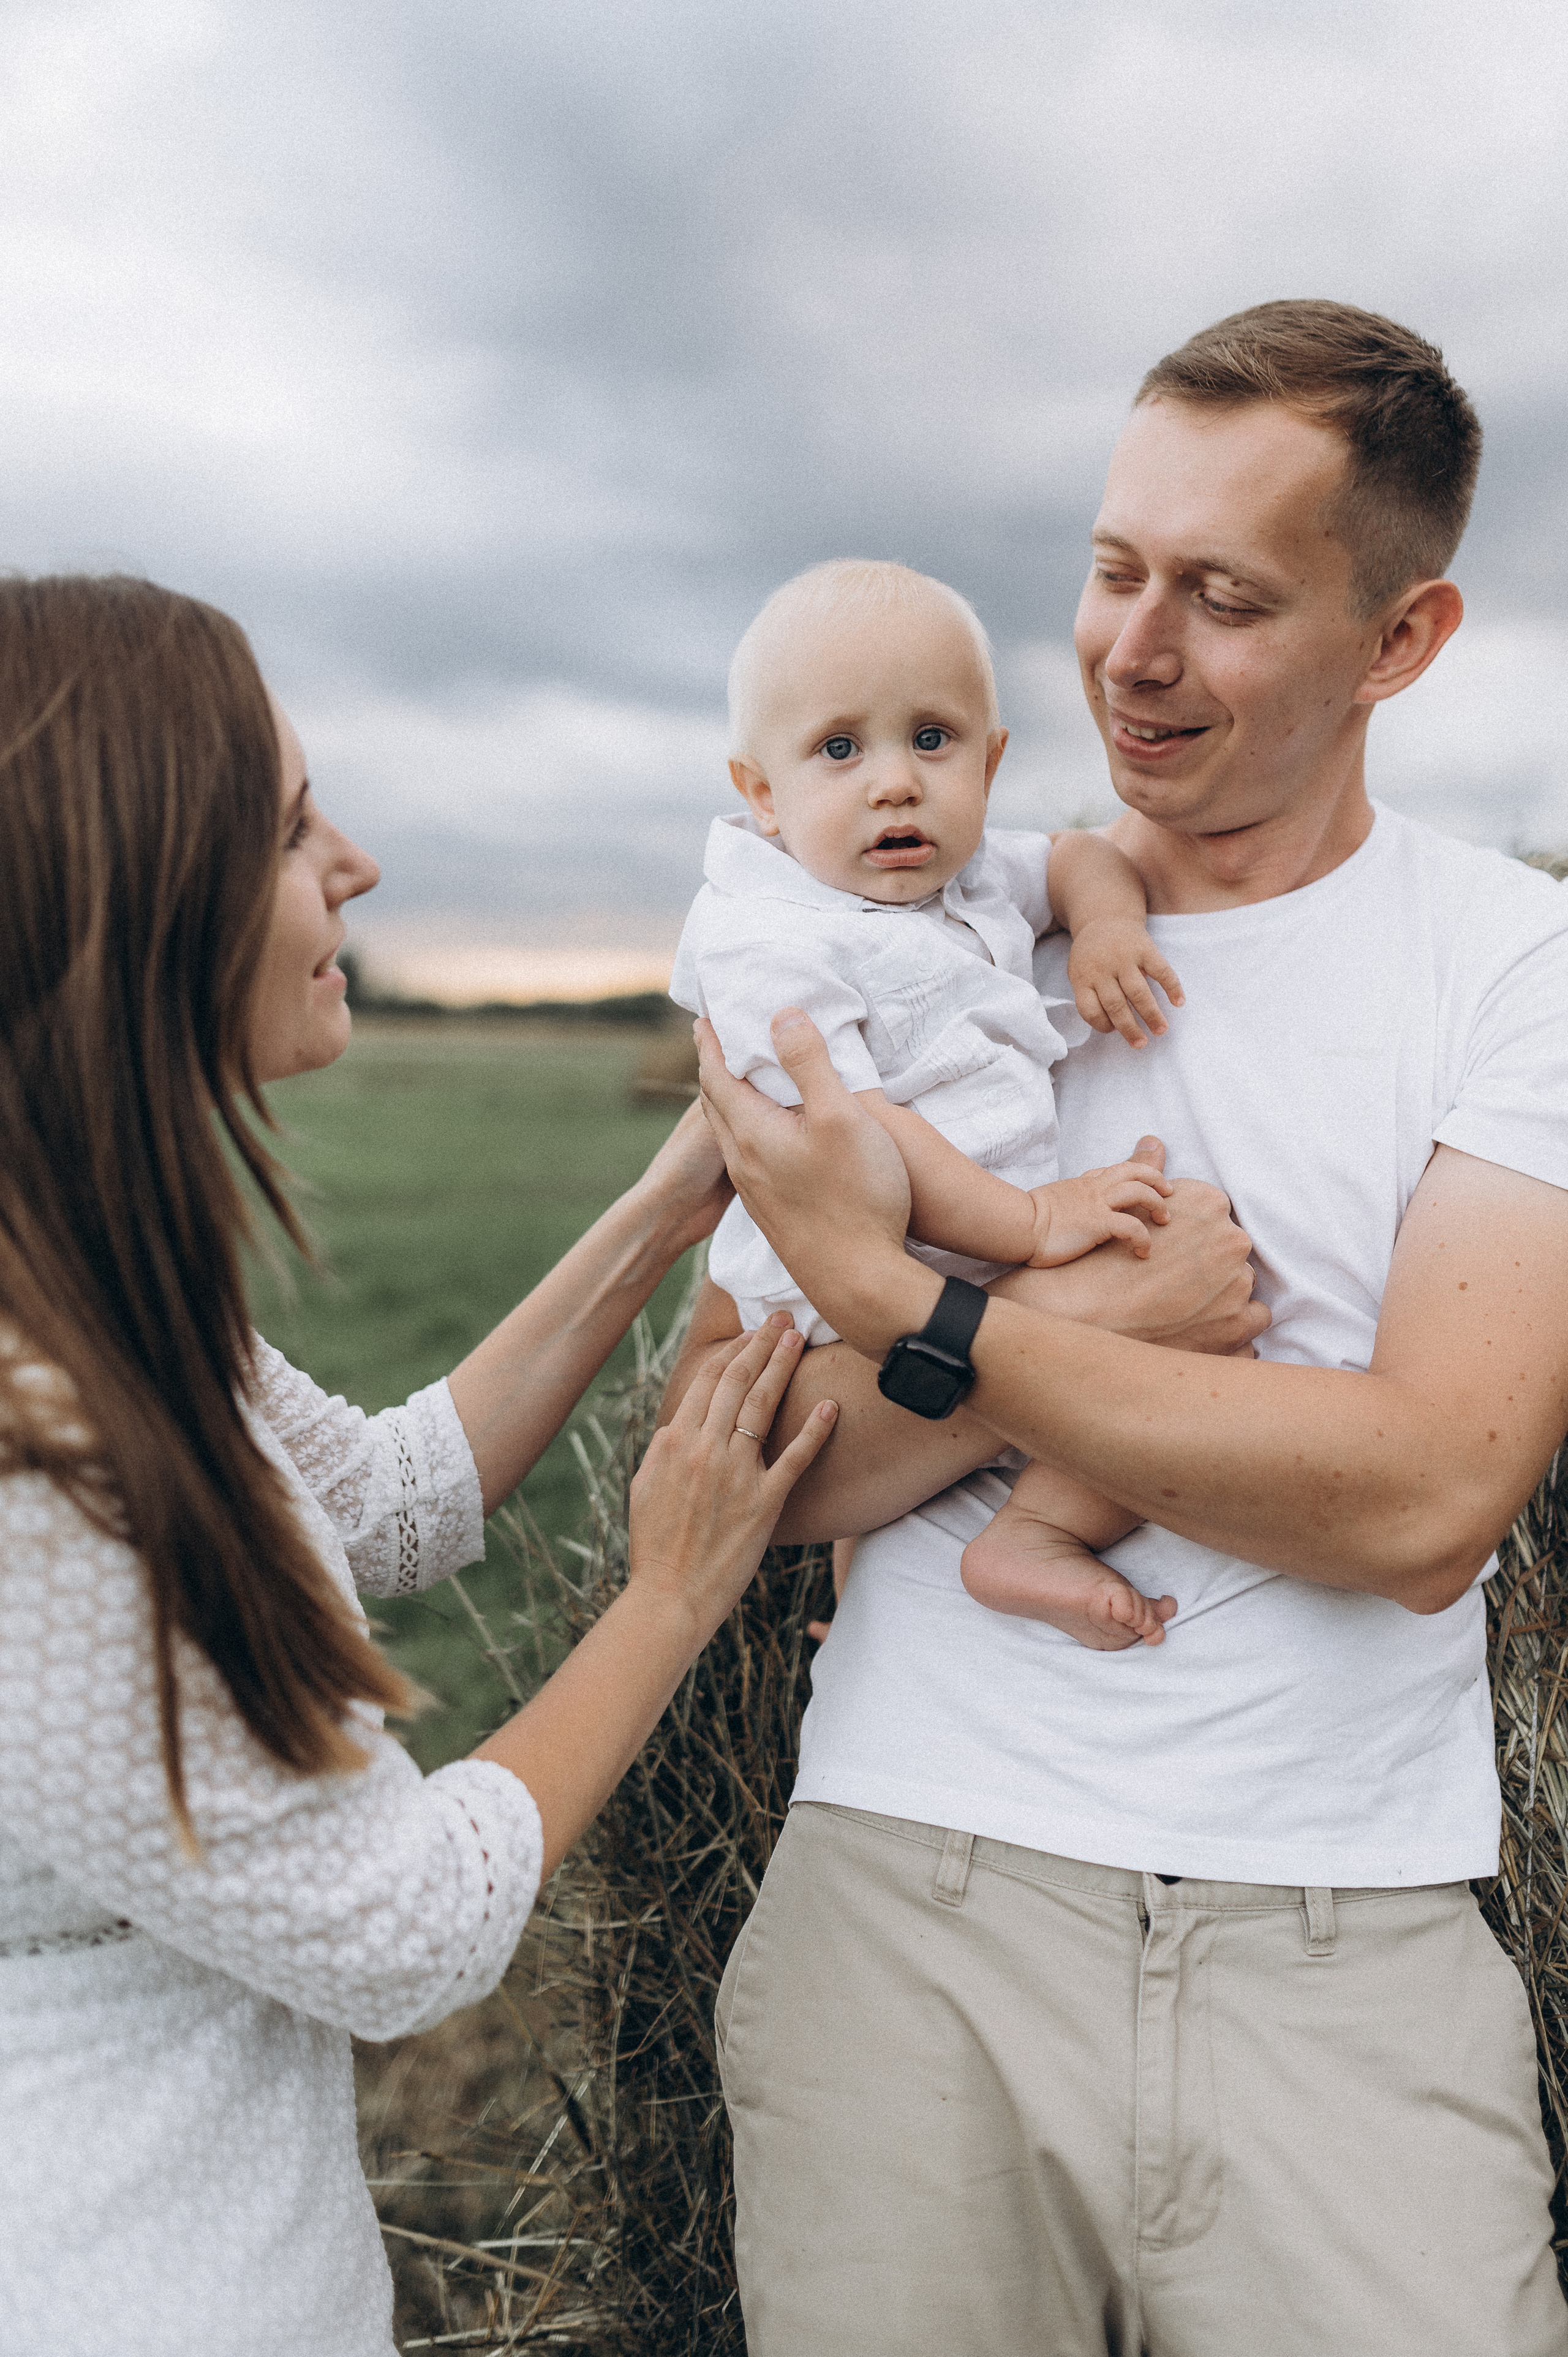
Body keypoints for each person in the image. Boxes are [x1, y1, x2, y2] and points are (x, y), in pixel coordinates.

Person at [676, 302, 1568, 2355]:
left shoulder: (1515, 965)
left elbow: (1426, 1491)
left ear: (1405, 640)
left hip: (1350, 1937)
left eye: (1226, 597)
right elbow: (770, 1474)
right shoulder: (907, 933)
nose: (1130, 651)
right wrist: (1089, 1303)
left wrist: (919, 1305)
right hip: (913, 1902)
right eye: (1111, 566)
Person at [0, 573, 837, 2357]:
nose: (357, 869)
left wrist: (678, 1188)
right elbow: (404, 1928)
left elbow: (381, 1502)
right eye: (297, 826)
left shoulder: (90, 1301)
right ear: (144, 891)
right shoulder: (36, 1454)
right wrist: (676, 1593)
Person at [672, 554, 1193, 1648]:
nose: (895, 783)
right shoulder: (768, 932)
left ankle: (973, 1555)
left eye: (932, 740)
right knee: (1156, 1341)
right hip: (847, 1263)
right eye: (839, 749)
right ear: (761, 795)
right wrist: (1038, 1224)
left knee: (1175, 1342)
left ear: (991, 763)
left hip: (949, 1260)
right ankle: (989, 1550)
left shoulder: (968, 873)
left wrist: (1105, 926)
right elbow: (857, 1146)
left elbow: (1082, 856)